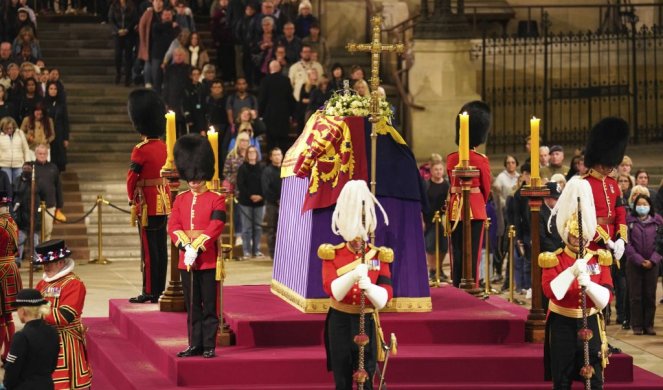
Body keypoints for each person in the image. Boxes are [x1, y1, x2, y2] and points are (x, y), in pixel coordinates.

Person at [318, 180, 393, 390]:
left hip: (366, 319)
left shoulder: (379, 255)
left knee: (367, 375)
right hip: (340, 321)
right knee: (342, 376)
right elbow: (332, 290)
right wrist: (352, 276)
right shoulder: (331, 253)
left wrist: (369, 287)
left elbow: (385, 297)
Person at [541, 177, 613, 389]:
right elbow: (552, 292)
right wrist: (571, 272)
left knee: (594, 379)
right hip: (562, 322)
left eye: (580, 236)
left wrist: (589, 285)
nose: (578, 240)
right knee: (561, 378)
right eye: (573, 236)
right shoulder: (553, 258)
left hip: (589, 321)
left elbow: (605, 299)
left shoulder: (599, 258)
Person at [169, 134, 226, 359]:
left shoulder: (216, 198)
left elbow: (217, 224)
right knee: (192, 306)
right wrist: (185, 246)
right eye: (190, 176)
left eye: (197, 176)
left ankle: (209, 344)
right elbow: (173, 225)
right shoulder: (181, 199)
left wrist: (198, 247)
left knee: (209, 305)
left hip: (208, 258)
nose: (193, 180)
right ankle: (195, 343)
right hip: (187, 260)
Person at [582, 117, 629, 328]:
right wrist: (606, 240)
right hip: (592, 248)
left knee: (608, 291)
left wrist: (621, 240)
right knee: (594, 290)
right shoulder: (584, 184)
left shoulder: (613, 185)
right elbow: (585, 218)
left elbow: (620, 213)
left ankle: (603, 337)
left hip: (611, 248)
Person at [126, 89, 170, 304]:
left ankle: (150, 291)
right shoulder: (164, 147)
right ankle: (161, 288)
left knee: (149, 252)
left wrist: (130, 199)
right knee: (160, 248)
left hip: (146, 204)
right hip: (163, 202)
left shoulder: (140, 149)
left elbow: (131, 178)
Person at [34, 239, 92, 389]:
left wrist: (36, 308)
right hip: (44, 340)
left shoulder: (74, 284)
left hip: (65, 343)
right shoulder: (42, 284)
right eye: (44, 263)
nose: (45, 267)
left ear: (61, 262)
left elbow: (64, 317)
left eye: (49, 263)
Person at [446, 101, 492, 288]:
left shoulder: (451, 158)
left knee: (456, 250)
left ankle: (457, 283)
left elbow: (451, 182)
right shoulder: (480, 160)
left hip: (455, 207)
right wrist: (480, 201)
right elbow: (486, 188)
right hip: (475, 206)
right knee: (473, 251)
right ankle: (471, 285)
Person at [3, 288, 59, 390]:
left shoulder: (21, 336)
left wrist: (7, 385)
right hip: (47, 385)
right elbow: (53, 365)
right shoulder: (53, 332)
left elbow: (12, 370)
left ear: (23, 311)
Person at [624, 194, 661, 335]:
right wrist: (639, 260)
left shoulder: (658, 221)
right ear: (634, 206)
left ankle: (649, 325)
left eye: (645, 204)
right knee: (636, 296)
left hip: (653, 263)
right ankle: (637, 326)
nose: (642, 206)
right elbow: (627, 243)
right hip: (634, 264)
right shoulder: (629, 221)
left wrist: (653, 260)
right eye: (639, 204)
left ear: (650, 205)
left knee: (650, 296)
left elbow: (660, 243)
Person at [0, 191, 20, 361]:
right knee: (8, 316)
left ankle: (6, 354)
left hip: (1, 270)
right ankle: (8, 355)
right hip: (11, 267)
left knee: (1, 317)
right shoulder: (12, 222)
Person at [259, 60, 294, 153]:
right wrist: (291, 114)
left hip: (270, 116)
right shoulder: (286, 80)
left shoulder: (265, 81)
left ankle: (271, 162)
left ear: (270, 69)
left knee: (270, 142)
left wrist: (260, 114)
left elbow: (262, 99)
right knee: (283, 142)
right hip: (283, 115)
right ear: (279, 68)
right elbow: (290, 98)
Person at [423, 160, 449, 282]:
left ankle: (439, 268)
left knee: (444, 246)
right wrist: (422, 220)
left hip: (444, 220)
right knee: (430, 245)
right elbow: (422, 204)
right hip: (430, 219)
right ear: (431, 171)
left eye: (440, 169)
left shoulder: (447, 186)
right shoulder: (426, 185)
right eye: (436, 169)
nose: (438, 172)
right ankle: (432, 270)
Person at [236, 145, 264, 259]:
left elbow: (265, 183)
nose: (252, 154)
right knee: (246, 228)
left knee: (258, 227)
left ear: (257, 154)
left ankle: (256, 250)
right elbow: (240, 184)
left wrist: (261, 196)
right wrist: (251, 195)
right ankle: (246, 251)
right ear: (247, 154)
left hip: (260, 201)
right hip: (246, 201)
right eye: (250, 152)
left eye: (254, 152)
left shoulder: (262, 167)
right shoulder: (242, 168)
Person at [33, 144, 62, 241]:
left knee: (48, 231)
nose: (42, 155)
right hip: (35, 206)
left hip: (50, 205)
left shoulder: (53, 168)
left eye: (44, 153)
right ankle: (36, 254)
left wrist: (59, 206)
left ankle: (44, 253)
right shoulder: (31, 167)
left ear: (47, 154)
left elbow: (58, 187)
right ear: (36, 154)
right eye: (40, 153)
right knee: (36, 232)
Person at [109, 0, 138, 86]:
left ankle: (127, 77)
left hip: (129, 33)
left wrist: (127, 29)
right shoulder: (114, 5)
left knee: (128, 56)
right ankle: (118, 73)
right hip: (117, 34)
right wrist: (117, 30)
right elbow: (111, 19)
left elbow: (135, 19)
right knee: (118, 54)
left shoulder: (132, 5)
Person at [261, 147, 282, 259]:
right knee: (272, 229)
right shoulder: (267, 171)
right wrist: (276, 200)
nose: (277, 157)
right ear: (271, 157)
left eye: (279, 154)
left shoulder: (285, 169)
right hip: (272, 204)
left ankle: (282, 253)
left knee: (283, 229)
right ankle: (273, 254)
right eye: (275, 155)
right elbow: (266, 189)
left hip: (285, 204)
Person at [44, 82, 69, 172]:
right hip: (47, 132)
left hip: (59, 132)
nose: (53, 91)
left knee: (60, 157)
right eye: (51, 88)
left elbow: (65, 121)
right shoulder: (44, 103)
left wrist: (66, 138)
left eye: (55, 89)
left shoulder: (61, 104)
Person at [0, 116, 29, 188]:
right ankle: (8, 200)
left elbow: (25, 148)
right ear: (2, 127)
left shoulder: (20, 133)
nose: (9, 130)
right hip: (4, 165)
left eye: (11, 128)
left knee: (18, 186)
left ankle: (17, 200)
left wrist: (27, 161)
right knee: (7, 187)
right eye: (7, 128)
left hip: (19, 164)